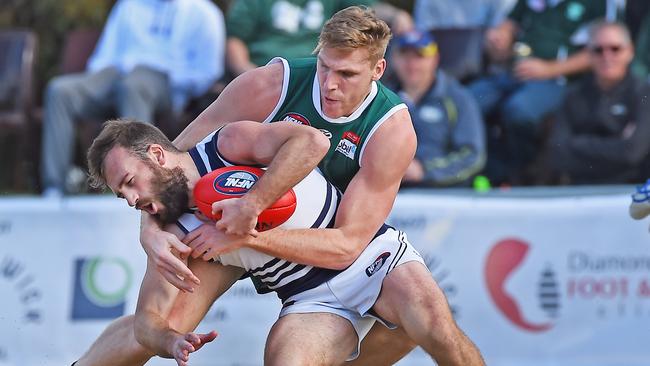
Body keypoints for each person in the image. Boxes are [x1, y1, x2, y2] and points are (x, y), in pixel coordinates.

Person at [77, 6, 484, 366]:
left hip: (318, 240)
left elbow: (347, 244)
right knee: (162, 323)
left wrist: (248, 218)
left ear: (377, 71)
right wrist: (151, 231)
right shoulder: (269, 85)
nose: (329, 85)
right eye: (324, 67)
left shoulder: (391, 129)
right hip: (255, 242)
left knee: (434, 326)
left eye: (346, 74)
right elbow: (175, 153)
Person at [82, 118, 462, 366]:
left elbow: (312, 142)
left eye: (130, 183)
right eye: (122, 196)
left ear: (158, 155)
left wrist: (250, 206)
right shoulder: (172, 231)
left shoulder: (226, 145)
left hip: (367, 256)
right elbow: (148, 320)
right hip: (307, 297)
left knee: (440, 332)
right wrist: (172, 342)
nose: (132, 201)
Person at [41, 0, 225, 197]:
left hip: (164, 78)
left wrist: (176, 86)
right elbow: (104, 56)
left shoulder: (203, 12)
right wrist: (102, 80)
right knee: (60, 90)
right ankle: (54, 188)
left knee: (133, 87)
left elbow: (208, 71)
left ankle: (146, 185)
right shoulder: (128, 6)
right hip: (115, 73)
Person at [468, 0, 606, 184]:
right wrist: (499, 39)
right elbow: (509, 26)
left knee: (519, 110)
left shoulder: (595, 4)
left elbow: (600, 51)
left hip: (558, 81)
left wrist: (549, 69)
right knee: (468, 102)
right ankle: (494, 169)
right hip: (513, 73)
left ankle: (524, 172)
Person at [547, 21, 650, 184]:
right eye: (598, 50)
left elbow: (633, 152)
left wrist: (578, 144)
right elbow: (558, 153)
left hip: (632, 192)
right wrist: (618, 144)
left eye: (615, 49)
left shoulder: (644, 94)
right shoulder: (574, 95)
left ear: (630, 51)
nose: (606, 56)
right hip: (581, 193)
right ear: (588, 54)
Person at [388, 30, 486, 186]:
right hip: (387, 192)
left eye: (420, 56)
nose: (412, 64)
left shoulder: (459, 98)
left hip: (444, 196)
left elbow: (472, 156)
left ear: (435, 59)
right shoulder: (382, 97)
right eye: (405, 55)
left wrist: (424, 171)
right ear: (394, 59)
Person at [225, 0, 413, 76]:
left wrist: (396, 15)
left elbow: (365, 8)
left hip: (321, 73)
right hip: (267, 71)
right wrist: (250, 74)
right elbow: (236, 38)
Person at [413, 0, 516, 30]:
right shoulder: (427, 2)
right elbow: (424, 39)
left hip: (487, 68)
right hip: (441, 66)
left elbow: (502, 34)